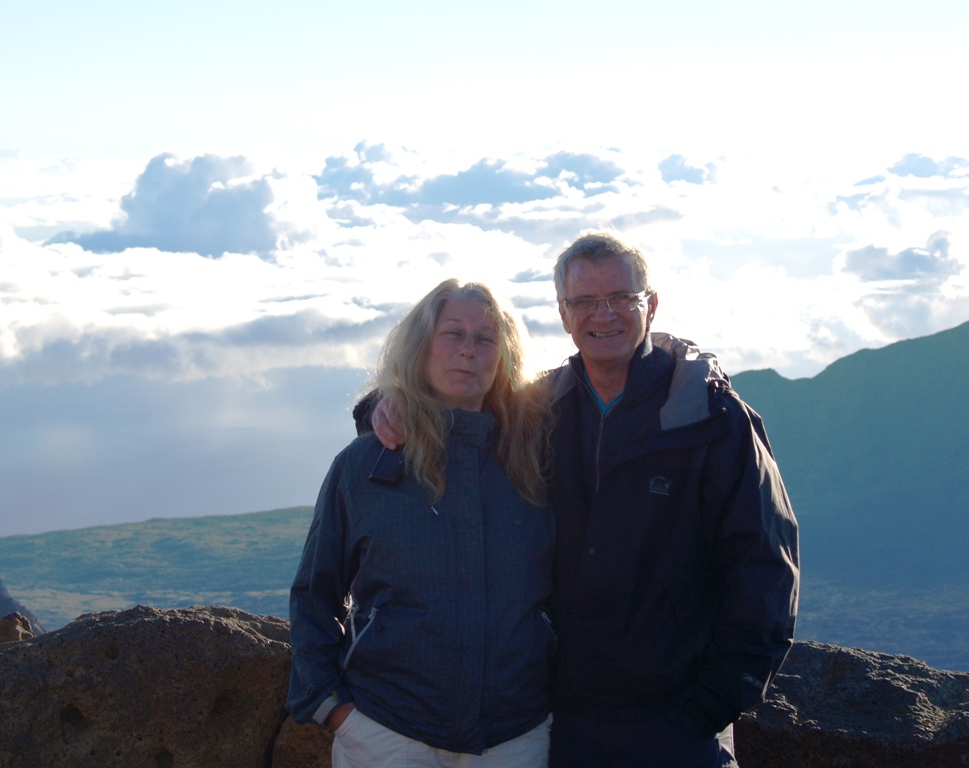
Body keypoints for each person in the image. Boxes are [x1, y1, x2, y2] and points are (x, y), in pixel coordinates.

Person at [372, 233, 800, 767]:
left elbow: (765, 566)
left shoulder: (711, 418)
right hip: (561, 717)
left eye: (621, 297)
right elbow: (453, 413)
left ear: (651, 304)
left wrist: (713, 704)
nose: (604, 314)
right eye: (585, 301)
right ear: (563, 313)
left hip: (677, 723)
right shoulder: (537, 410)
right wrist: (390, 403)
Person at [286, 279, 556, 767]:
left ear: (504, 357)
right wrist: (333, 708)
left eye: (485, 338)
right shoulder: (366, 463)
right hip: (387, 731)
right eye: (453, 334)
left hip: (516, 734)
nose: (468, 350)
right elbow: (314, 592)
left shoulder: (535, 460)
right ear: (421, 346)